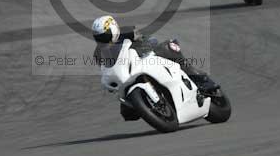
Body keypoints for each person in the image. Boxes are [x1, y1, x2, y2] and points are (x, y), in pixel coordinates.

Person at [91, 15, 219, 120]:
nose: (102, 39)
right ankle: (150, 106)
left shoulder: (127, 31)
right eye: (99, 37)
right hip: (129, 73)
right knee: (127, 112)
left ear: (113, 29)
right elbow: (106, 69)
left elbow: (148, 38)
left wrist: (147, 44)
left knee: (169, 48)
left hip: (148, 57)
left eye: (104, 35)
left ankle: (200, 79)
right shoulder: (98, 53)